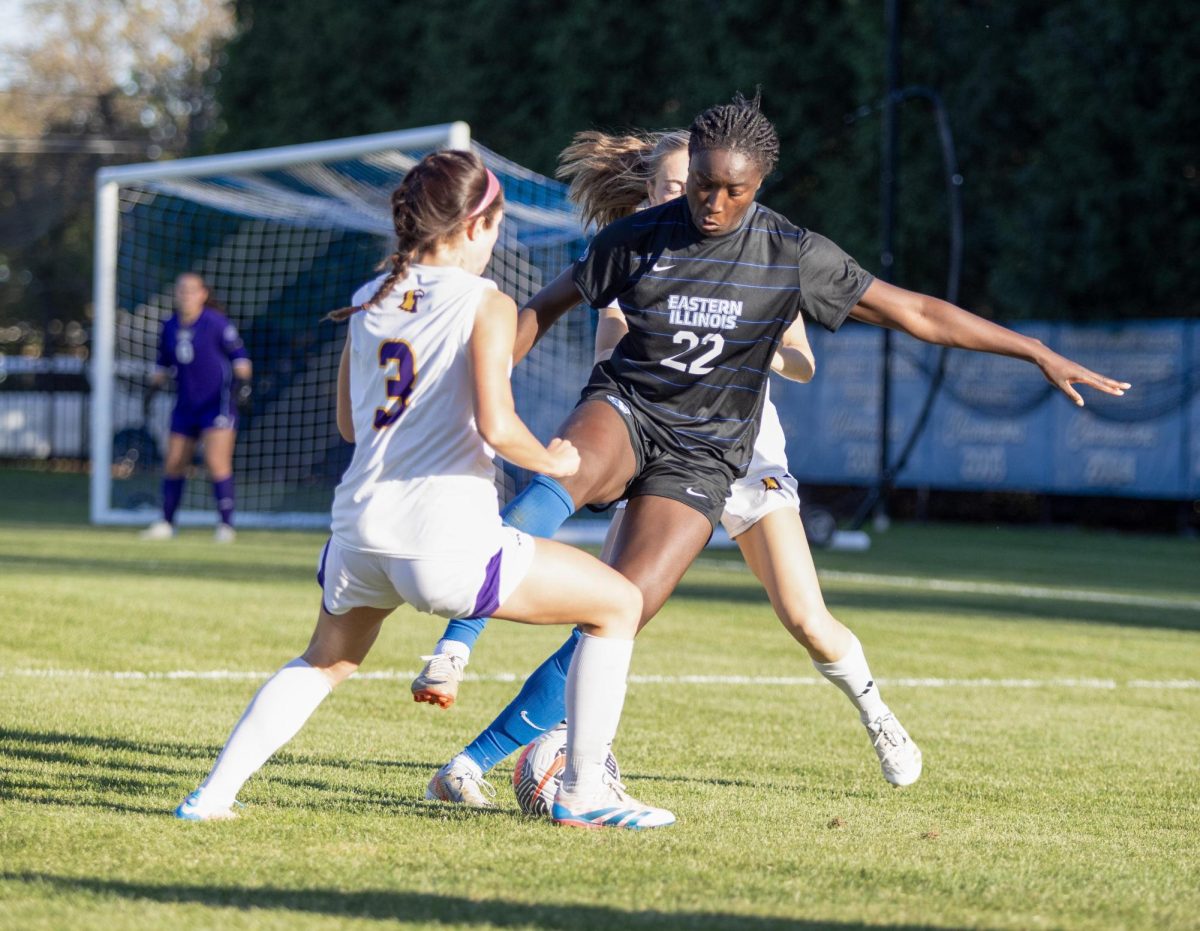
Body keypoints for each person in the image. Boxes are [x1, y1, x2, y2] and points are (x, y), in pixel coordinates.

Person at [412, 92, 1130, 809]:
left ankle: (575, 785)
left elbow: (914, 310)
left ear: (760, 185)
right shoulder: (637, 238)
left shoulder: (791, 252)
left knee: (625, 605)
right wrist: (472, 382)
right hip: (629, 409)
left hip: (709, 453)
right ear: (687, 171)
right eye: (702, 186)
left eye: (734, 190)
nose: (714, 203)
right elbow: (539, 311)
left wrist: (1031, 349)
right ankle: (457, 622)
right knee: (559, 469)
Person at [173, 149, 674, 830]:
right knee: (617, 603)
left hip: (359, 530)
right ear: (473, 225)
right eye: (495, 226)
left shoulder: (368, 295)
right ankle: (585, 794)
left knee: (325, 660)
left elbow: (350, 421)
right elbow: (499, 427)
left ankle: (212, 795)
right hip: (445, 541)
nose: (495, 240)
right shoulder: (484, 301)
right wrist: (554, 460)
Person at [140, 273, 253, 543]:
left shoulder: (215, 322)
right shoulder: (169, 326)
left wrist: (243, 387)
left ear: (203, 294)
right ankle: (167, 522)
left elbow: (241, 359)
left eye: (191, 290)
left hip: (217, 404)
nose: (185, 294)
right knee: (174, 462)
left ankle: (226, 526)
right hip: (185, 404)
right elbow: (163, 365)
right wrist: (150, 392)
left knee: (216, 462)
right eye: (181, 290)